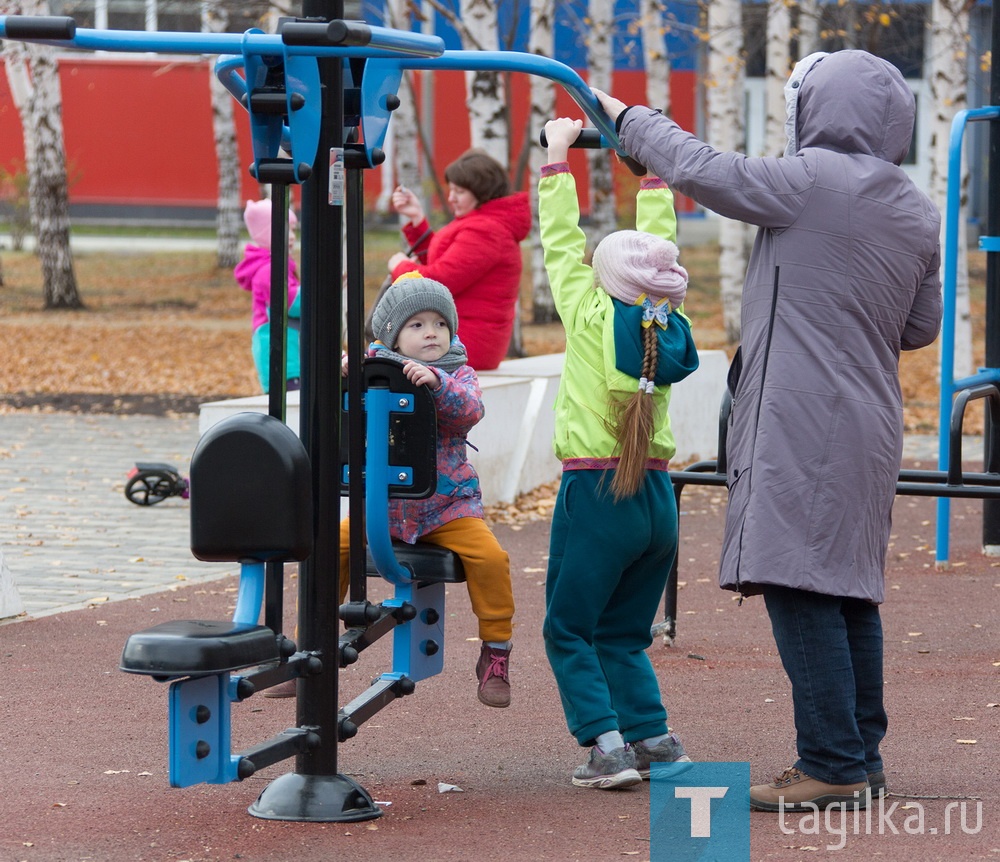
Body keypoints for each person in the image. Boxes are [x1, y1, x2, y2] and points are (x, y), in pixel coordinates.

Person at [593, 49, 943, 811]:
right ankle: (860, 756)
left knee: (797, 581)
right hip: (872, 417)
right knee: (848, 588)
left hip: (802, 412)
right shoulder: (916, 206)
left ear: (818, 110)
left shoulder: (811, 179)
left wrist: (629, 120)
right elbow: (919, 327)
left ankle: (832, 763)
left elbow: (702, 170)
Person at [539, 117, 699, 789]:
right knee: (622, 632)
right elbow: (659, 249)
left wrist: (555, 158)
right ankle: (653, 739)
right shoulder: (664, 323)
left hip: (597, 492)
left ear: (602, 278)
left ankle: (605, 747)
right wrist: (653, 175)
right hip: (657, 497)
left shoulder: (590, 313)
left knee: (568, 628)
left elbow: (557, 243)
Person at [340, 273, 516, 708]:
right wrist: (345, 376)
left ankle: (495, 652)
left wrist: (438, 384)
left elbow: (470, 412)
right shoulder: (373, 371)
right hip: (383, 508)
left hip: (446, 508)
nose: (431, 332)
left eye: (439, 323)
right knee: (332, 545)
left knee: (490, 558)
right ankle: (313, 642)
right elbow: (341, 415)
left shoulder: (460, 374)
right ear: (392, 337)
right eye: (416, 325)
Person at [387, 149, 531, 371]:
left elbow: (440, 281)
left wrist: (400, 268)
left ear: (482, 193)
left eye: (460, 191)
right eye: (451, 190)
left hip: (466, 344)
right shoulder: (484, 223)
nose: (451, 198)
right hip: (462, 338)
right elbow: (450, 262)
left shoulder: (486, 231)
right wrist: (417, 219)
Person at [234, 198, 302, 393]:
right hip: (284, 361)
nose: (291, 237)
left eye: (294, 230)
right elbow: (293, 303)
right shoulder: (269, 271)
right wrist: (323, 290)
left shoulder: (276, 267)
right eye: (286, 230)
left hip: (288, 358)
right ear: (266, 234)